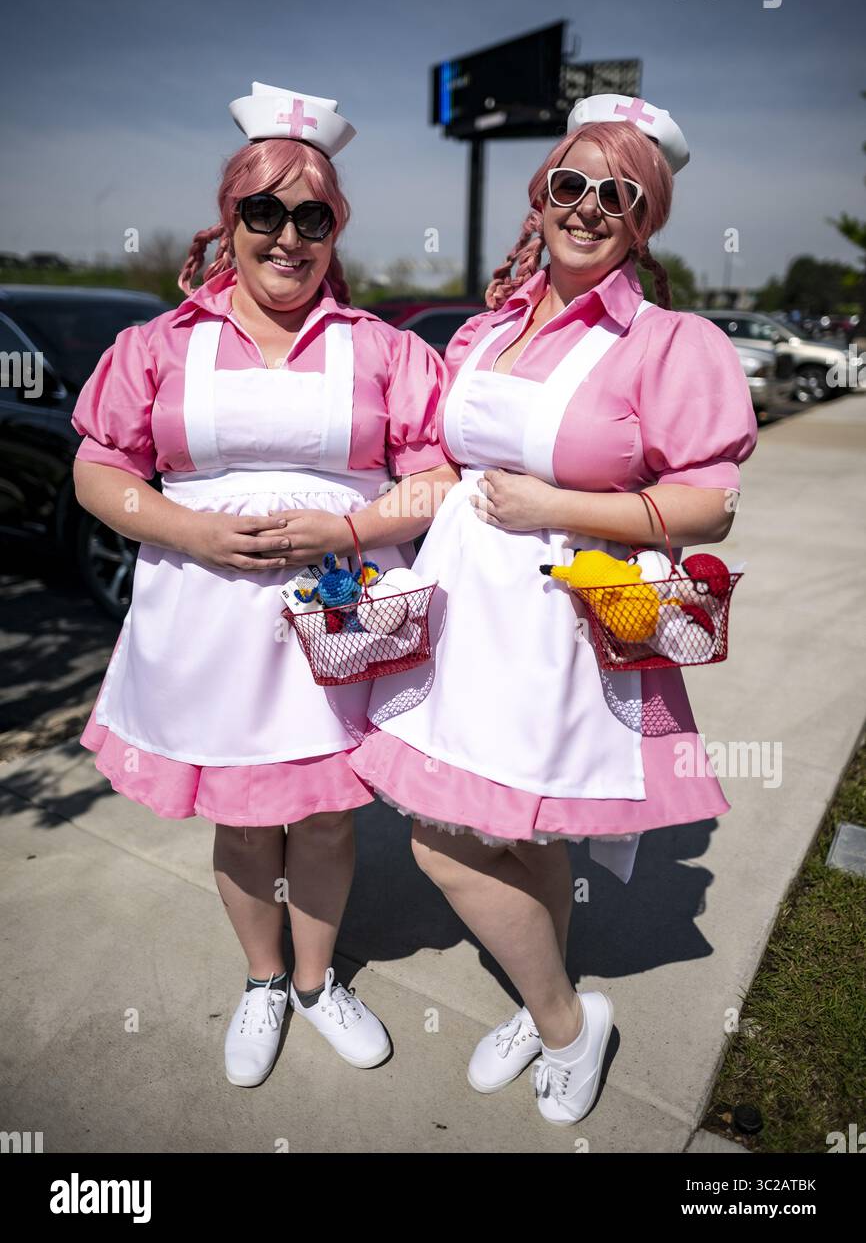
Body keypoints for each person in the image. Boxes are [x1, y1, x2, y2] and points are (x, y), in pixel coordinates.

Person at [346, 94, 759, 1125]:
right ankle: (550, 1004)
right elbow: (442, 461)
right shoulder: (486, 329)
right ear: (541, 195)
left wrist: (553, 505)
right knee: (513, 834)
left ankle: (564, 1020)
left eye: (613, 194)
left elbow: (708, 500)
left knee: (450, 841)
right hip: (462, 612)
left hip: (566, 621)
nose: (584, 207)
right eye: (568, 183)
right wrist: (348, 536)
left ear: (641, 218)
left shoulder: (666, 341)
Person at [71, 81, 458, 1089]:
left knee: (327, 814)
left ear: (335, 230)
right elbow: (99, 466)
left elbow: (436, 477)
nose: (288, 236)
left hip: (338, 620)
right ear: (230, 217)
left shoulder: (381, 349)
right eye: (264, 211)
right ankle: (260, 979)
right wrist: (188, 526)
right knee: (245, 816)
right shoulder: (156, 347)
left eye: (312, 216)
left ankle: (318, 980)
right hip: (202, 622)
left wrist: (350, 524)